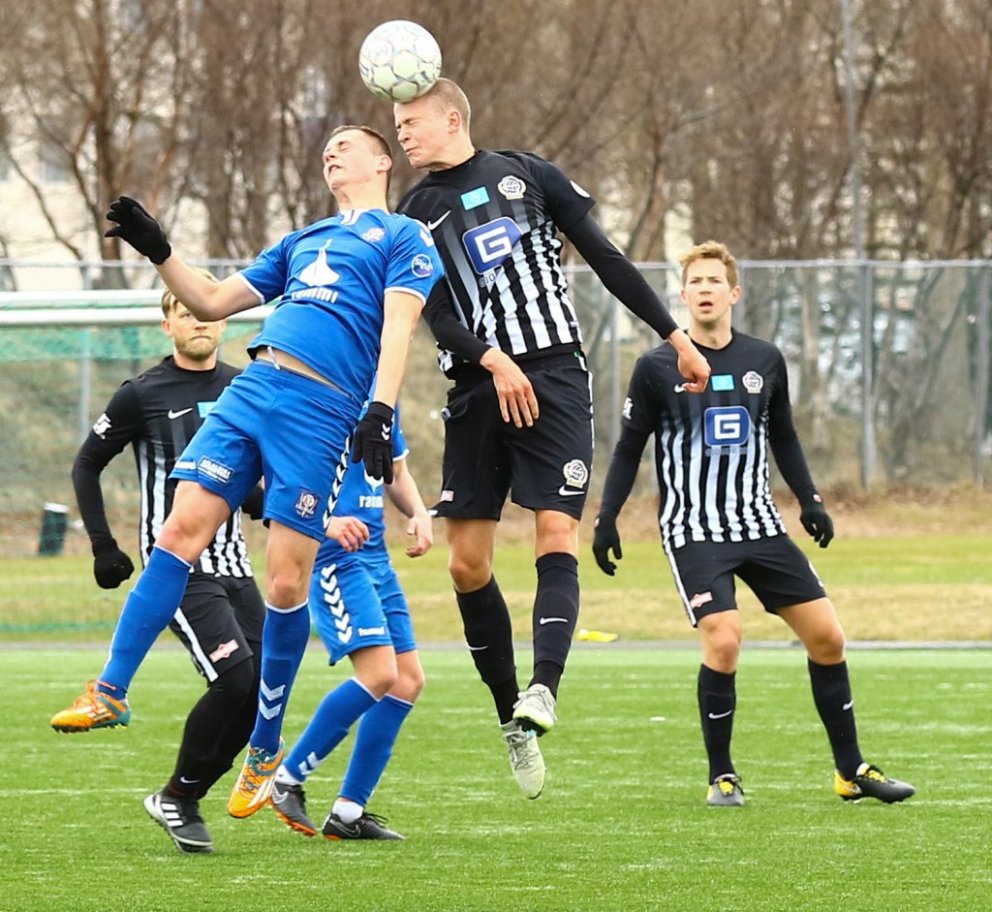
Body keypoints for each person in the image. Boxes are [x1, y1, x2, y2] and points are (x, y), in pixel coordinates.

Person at [50, 125, 444, 822]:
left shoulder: (403, 236)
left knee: (286, 582)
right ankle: (110, 689)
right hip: (255, 387)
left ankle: (264, 746)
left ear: (383, 161)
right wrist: (159, 250)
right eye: (327, 146)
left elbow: (399, 329)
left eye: (346, 144)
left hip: (322, 409)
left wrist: (381, 410)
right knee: (179, 532)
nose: (332, 152)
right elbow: (209, 300)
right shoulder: (302, 239)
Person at [392, 78, 711, 800]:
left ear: (452, 118)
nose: (403, 134)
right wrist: (493, 360)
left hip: (555, 375)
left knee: (556, 532)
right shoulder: (413, 214)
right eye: (398, 124)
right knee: (465, 565)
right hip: (477, 383)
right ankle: (511, 713)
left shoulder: (527, 173)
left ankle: (544, 688)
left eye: (412, 121)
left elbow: (608, 259)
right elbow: (436, 316)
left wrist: (677, 338)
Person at [592, 240, 915, 806]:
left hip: (761, 526)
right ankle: (722, 775)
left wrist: (810, 499)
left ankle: (851, 771)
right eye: (696, 282)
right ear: (682, 295)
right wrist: (607, 517)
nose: (705, 290)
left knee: (828, 638)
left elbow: (783, 434)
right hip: (694, 531)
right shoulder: (656, 367)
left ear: (734, 293)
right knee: (725, 639)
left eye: (715, 281)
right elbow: (628, 448)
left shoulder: (764, 359)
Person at [57, 276, 265, 853]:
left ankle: (181, 796)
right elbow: (86, 464)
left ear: (224, 321)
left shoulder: (245, 387)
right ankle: (176, 793)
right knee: (235, 677)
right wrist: (103, 544)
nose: (200, 321)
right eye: (186, 311)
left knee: (261, 694)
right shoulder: (141, 393)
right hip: (178, 566)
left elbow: (251, 475)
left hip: (237, 565)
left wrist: (270, 504)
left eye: (207, 312)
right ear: (166, 324)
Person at [268, 403, 430, 842]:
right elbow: (270, 479)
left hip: (376, 556)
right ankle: (284, 779)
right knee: (379, 674)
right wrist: (325, 521)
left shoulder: (382, 399)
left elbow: (395, 470)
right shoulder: (313, 396)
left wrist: (418, 512)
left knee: (407, 680)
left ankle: (348, 811)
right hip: (334, 559)